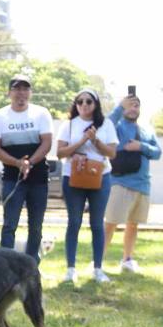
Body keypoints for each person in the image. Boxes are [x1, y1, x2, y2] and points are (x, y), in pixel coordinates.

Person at [0, 73, 54, 264]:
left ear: (30, 92)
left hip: (38, 179)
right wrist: (17, 163)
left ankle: (32, 266)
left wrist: (30, 163)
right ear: (9, 92)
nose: (21, 93)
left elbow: (47, 143)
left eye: (25, 88)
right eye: (17, 88)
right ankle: (5, 267)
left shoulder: (41, 113)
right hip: (11, 179)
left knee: (36, 227)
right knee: (9, 225)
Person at [56, 89, 118, 284]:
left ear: (96, 104)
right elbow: (60, 153)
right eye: (80, 101)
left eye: (89, 101)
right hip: (73, 177)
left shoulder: (106, 124)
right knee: (74, 222)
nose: (84, 105)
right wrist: (82, 140)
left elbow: (112, 153)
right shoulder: (69, 125)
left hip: (100, 177)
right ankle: (70, 269)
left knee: (97, 223)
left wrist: (95, 140)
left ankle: (98, 269)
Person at [102, 94, 161, 273]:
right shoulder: (116, 126)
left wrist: (141, 147)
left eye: (136, 105)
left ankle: (127, 259)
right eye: (130, 105)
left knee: (133, 224)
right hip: (120, 182)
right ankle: (98, 261)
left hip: (143, 184)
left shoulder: (146, 130)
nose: (133, 109)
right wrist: (120, 107)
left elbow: (157, 152)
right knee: (111, 223)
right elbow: (105, 125)